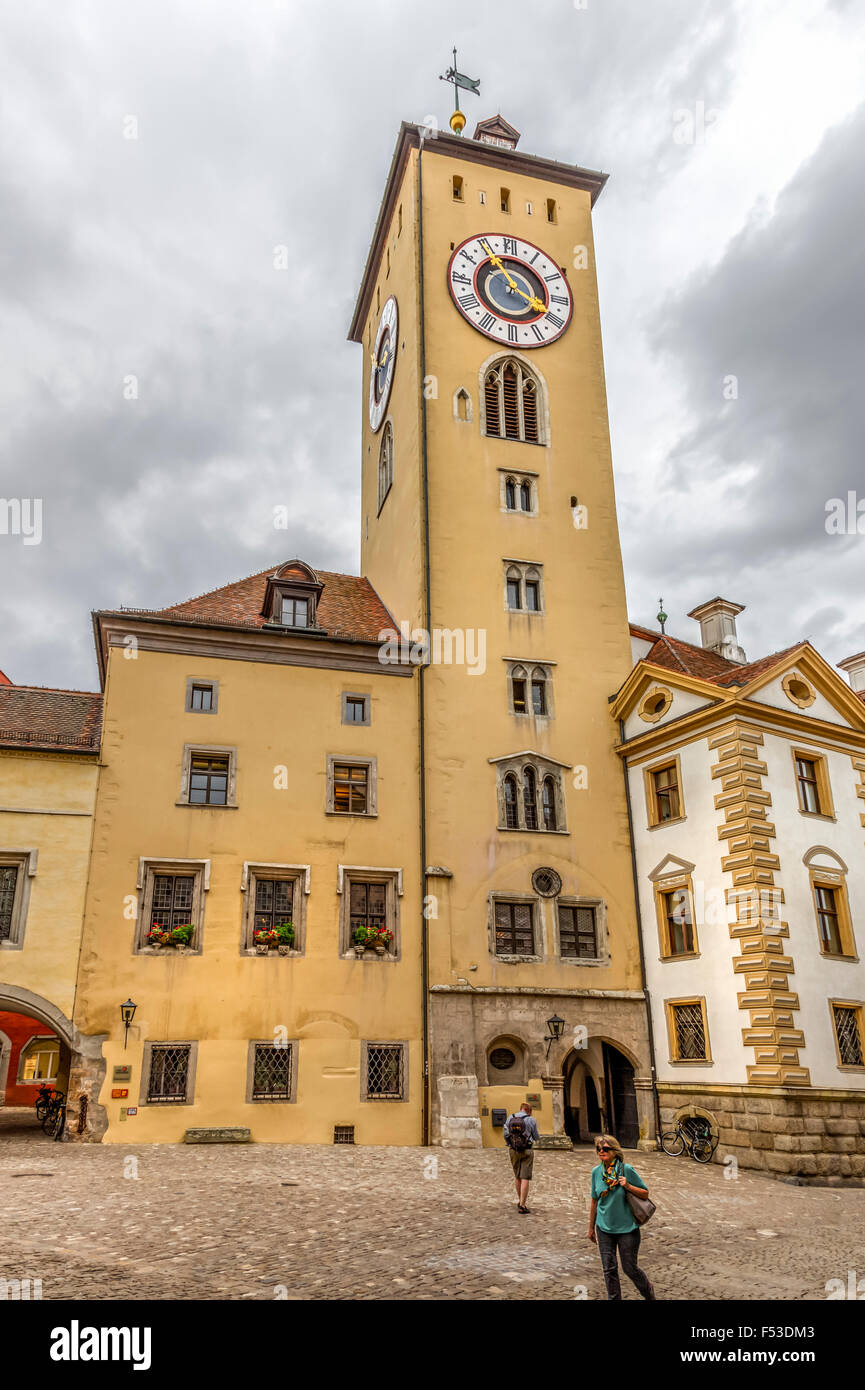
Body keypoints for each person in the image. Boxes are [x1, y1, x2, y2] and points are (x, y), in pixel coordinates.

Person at [588, 1133, 656, 1299]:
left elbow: (645, 1194)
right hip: (604, 1227)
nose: (601, 1151)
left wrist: (628, 1185)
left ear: (614, 1151)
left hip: (627, 1229)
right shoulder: (596, 1172)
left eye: (605, 1148)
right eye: (598, 1149)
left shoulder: (626, 1169)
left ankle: (648, 1292)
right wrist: (591, 1227)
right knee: (609, 1269)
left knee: (629, 1268)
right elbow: (594, 1201)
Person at [502, 1101, 540, 1214]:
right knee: (525, 1177)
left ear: (521, 1108)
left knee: (517, 1176)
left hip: (513, 1150)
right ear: (529, 1111)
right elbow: (536, 1137)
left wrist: (511, 1143)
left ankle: (520, 1200)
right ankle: (523, 1205)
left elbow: (505, 1134)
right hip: (527, 1150)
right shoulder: (531, 1120)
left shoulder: (510, 1118)